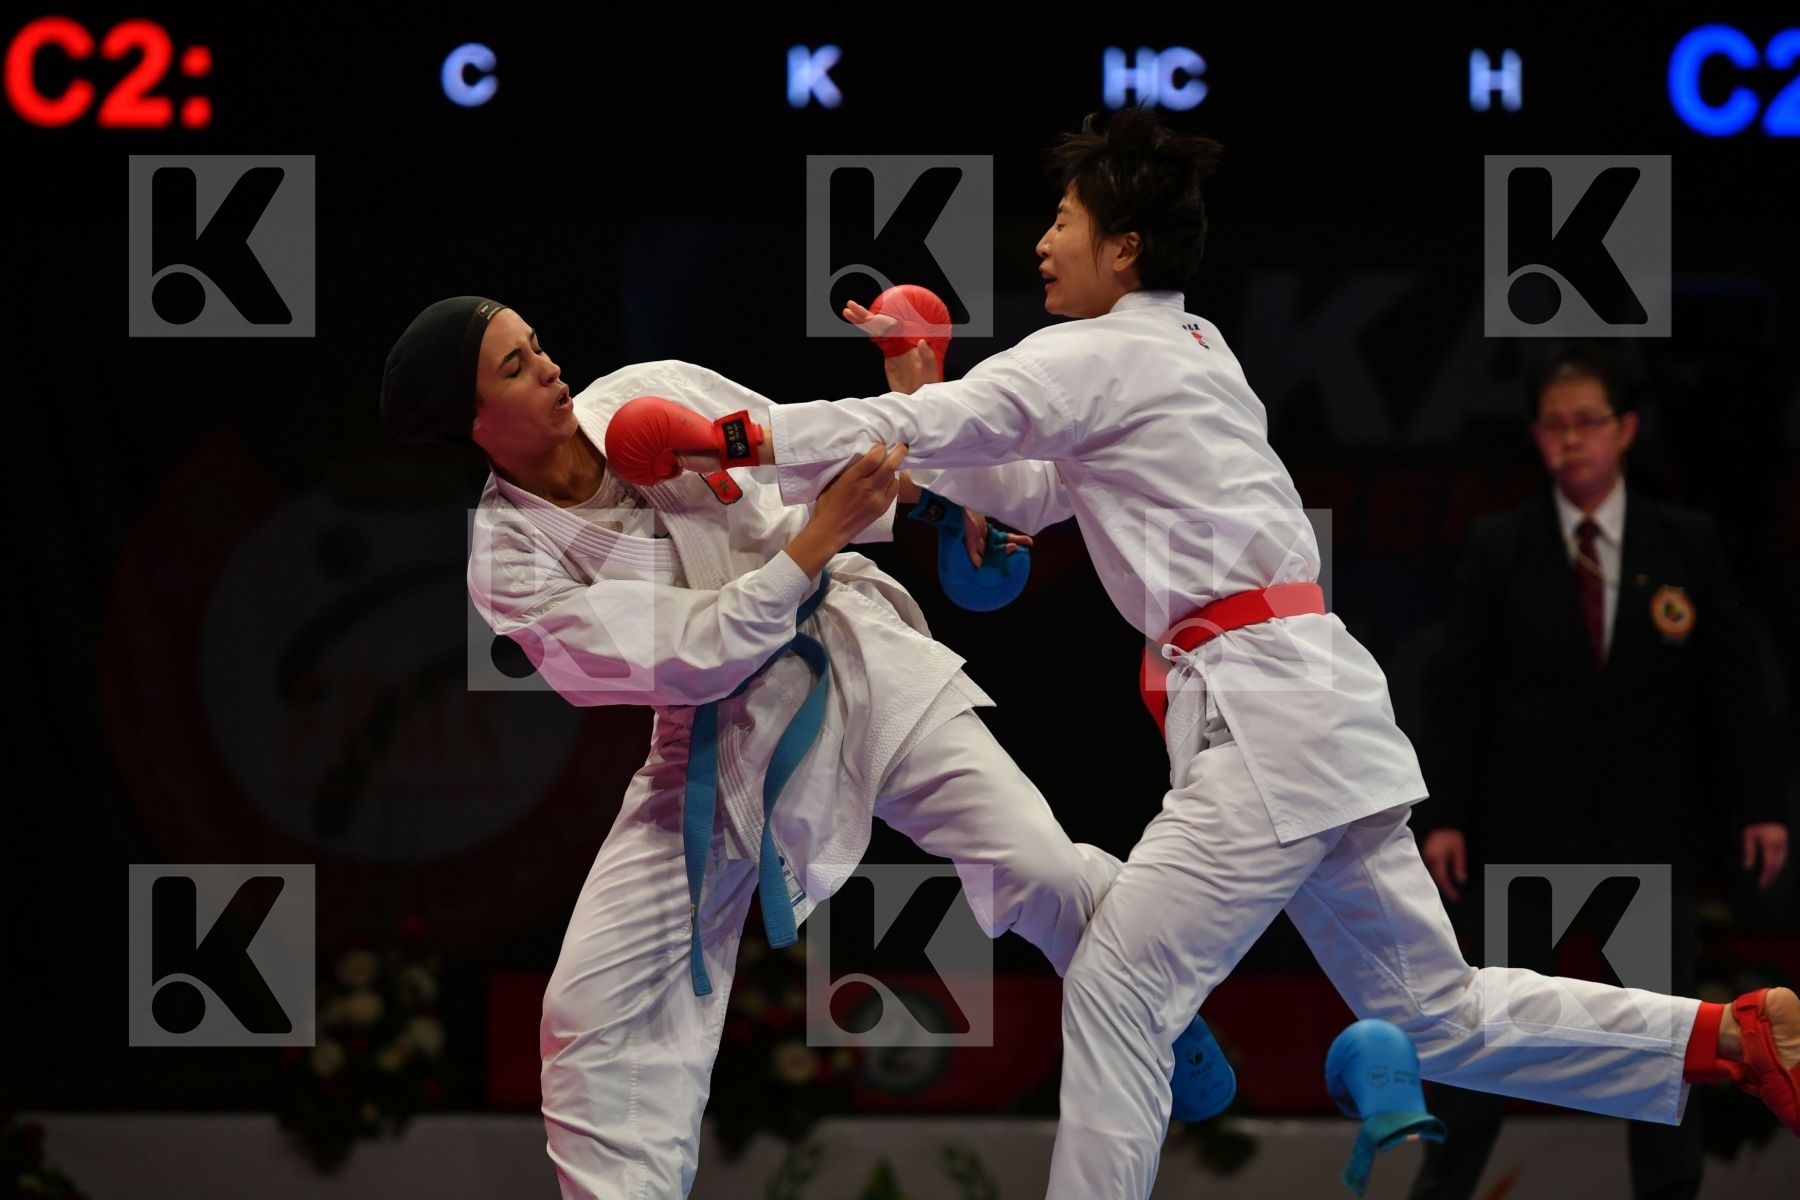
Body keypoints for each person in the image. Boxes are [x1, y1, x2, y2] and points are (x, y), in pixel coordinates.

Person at [605, 108, 1800, 1199]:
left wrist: (733, 436)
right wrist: (921, 376)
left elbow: (931, 437)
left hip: (1266, 715)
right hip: (1312, 702)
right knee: (1437, 1018)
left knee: (1123, 985)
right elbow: (1014, 494)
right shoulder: (1190, 350)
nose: (1042, 245)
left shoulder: (1099, 356)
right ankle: (1730, 1038)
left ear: (1124, 246)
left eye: (1064, 222)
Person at [376, 296, 1232, 1199]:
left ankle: (1155, 999)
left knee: (1041, 870)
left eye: (537, 345)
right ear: (472, 423)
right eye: (516, 367)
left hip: (859, 655)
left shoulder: (644, 393)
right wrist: (816, 539)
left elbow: (793, 449)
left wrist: (945, 499)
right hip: (717, 736)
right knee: (590, 1006)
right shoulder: (512, 562)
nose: (550, 367)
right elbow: (685, 655)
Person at [1408, 342, 1789, 1200]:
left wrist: (1761, 806)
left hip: (1648, 833)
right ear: (1536, 437)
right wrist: (1446, 817)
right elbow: (1457, 692)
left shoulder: (1682, 543)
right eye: (1552, 425)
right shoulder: (1500, 546)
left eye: (1587, 423)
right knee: (1485, 1045)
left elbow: (1733, 689)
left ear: (1624, 430)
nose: (1570, 440)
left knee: (1667, 1054)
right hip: (1522, 831)